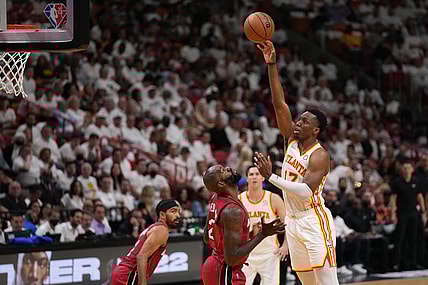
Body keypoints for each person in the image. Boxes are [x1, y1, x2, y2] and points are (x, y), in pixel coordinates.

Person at [256, 40, 339, 284]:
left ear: (315, 131)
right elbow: (278, 103)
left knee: (327, 282)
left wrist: (271, 177)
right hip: (292, 221)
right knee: (306, 281)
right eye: (299, 120)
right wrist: (271, 65)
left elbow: (305, 191)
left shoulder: (319, 154)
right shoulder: (290, 141)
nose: (298, 123)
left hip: (313, 219)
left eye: (304, 122)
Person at [201, 165, 285, 285]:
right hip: (225, 270)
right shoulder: (232, 210)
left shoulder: (216, 198)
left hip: (215, 264)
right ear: (220, 184)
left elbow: (206, 237)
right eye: (223, 171)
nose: (228, 168)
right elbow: (231, 259)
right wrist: (263, 234)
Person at [239, 166, 292, 284]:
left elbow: (287, 224)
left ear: (263, 177)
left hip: (269, 253)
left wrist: (285, 245)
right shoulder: (240, 199)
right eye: (251, 174)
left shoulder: (273, 198)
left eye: (257, 174)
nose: (254, 177)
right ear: (247, 178)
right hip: (247, 253)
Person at [111, 199, 181, 285]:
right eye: (173, 211)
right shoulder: (161, 230)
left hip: (125, 273)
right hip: (128, 275)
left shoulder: (154, 227)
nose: (178, 215)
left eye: (178, 212)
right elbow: (141, 256)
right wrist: (143, 282)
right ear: (162, 214)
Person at [390, 161, 426, 271]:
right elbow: (393, 199)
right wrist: (393, 213)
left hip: (413, 212)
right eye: (404, 168)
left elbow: (419, 197)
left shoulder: (416, 181)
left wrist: (423, 211)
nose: (406, 170)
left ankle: (413, 262)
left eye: (408, 168)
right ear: (402, 170)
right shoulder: (397, 183)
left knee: (413, 238)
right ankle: (396, 263)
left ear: (412, 170)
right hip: (402, 212)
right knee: (400, 238)